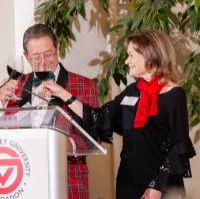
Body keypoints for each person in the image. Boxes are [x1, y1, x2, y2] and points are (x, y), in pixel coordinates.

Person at [41, 30, 196, 199]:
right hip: (128, 186)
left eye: (131, 55)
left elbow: (178, 145)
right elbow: (99, 118)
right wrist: (63, 93)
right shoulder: (131, 92)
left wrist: (157, 186)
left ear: (149, 55)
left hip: (162, 188)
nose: (127, 61)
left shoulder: (174, 95)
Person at [0, 23, 99, 199]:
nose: (43, 62)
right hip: (23, 183)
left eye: (48, 54)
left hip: (68, 182)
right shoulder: (14, 86)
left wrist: (67, 143)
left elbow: (95, 134)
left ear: (58, 48)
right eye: (36, 57)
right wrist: (1, 104)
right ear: (26, 57)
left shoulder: (85, 85)